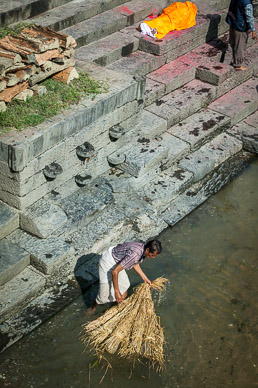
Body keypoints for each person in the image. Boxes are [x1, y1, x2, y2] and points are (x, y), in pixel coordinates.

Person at [90, 239, 162, 312]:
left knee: (125, 285)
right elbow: (115, 272)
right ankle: (93, 307)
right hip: (108, 262)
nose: (153, 257)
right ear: (147, 249)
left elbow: (134, 263)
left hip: (118, 260)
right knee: (103, 295)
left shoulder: (142, 248)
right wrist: (116, 291)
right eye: (152, 255)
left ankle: (116, 308)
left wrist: (145, 278)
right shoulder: (135, 255)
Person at [226, 0, 257, 71]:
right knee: (240, 46)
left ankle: (225, 62)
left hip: (233, 22)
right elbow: (249, 18)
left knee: (231, 44)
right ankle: (238, 65)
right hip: (241, 27)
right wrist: (253, 30)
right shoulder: (247, 3)